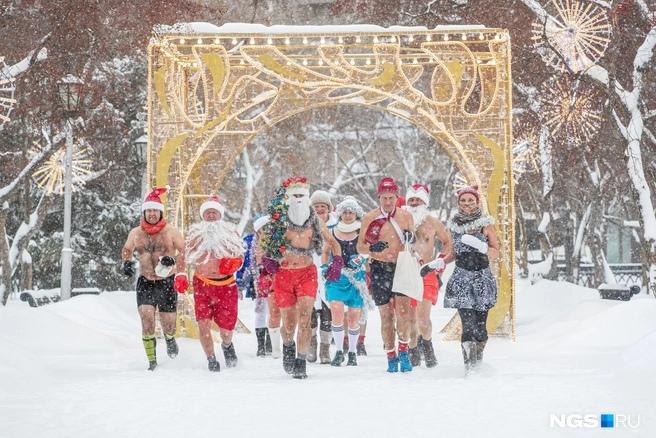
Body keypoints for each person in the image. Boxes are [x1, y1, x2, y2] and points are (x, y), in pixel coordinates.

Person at [261, 177, 342, 379]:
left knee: (305, 317)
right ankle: (288, 346)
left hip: (307, 273)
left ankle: (301, 360)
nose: (298, 200)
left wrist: (338, 262)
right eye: (295, 196)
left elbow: (333, 242)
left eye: (302, 196)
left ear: (307, 198)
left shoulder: (315, 220)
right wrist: (266, 259)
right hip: (284, 274)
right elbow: (263, 243)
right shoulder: (279, 221)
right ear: (288, 198)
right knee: (288, 324)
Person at [121, 186, 186, 371]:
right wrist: (126, 262)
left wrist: (174, 263)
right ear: (144, 212)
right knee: (147, 318)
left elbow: (184, 252)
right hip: (146, 281)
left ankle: (170, 338)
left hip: (167, 282)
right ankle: (152, 361)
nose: (151, 214)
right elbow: (126, 250)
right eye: (148, 210)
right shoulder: (136, 233)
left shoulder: (171, 232)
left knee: (168, 324)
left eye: (154, 210)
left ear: (160, 212)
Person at [357, 177, 415, 373]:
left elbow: (412, 241)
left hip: (401, 267)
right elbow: (360, 247)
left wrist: (410, 237)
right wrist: (372, 247)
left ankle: (404, 351)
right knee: (386, 316)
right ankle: (391, 355)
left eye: (391, 198)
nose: (388, 202)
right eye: (384, 198)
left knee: (404, 313)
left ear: (397, 197)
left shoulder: (406, 216)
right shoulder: (370, 218)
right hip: (380, 268)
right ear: (379, 197)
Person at [181, 195, 245, 372]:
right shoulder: (194, 234)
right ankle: (211, 359)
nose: (210, 216)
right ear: (203, 215)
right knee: (203, 324)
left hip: (227, 286)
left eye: (214, 212)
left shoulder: (230, 233)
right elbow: (182, 255)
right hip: (203, 284)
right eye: (207, 212)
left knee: (226, 330)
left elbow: (241, 256)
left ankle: (227, 344)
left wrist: (235, 263)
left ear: (220, 215)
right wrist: (180, 275)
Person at [443, 186, 498, 374]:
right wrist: (438, 263)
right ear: (458, 203)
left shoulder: (485, 224)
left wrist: (482, 248)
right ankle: (469, 367)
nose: (467, 204)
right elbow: (452, 253)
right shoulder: (454, 227)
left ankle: (478, 361)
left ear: (477, 202)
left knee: (481, 328)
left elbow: (496, 251)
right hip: (461, 279)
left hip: (482, 278)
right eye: (463, 201)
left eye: (471, 200)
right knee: (467, 324)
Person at [402, 183, 453, 368]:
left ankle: (428, 344)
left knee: (423, 318)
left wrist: (439, 262)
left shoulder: (433, 223)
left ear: (425, 202)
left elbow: (448, 243)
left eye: (418, 200)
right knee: (409, 318)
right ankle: (413, 350)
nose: (414, 203)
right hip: (405, 273)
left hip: (426, 273)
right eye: (411, 200)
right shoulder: (400, 221)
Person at [322, 196, 369, 367]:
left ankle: (353, 352)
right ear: (340, 214)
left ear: (356, 214)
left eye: (351, 212)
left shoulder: (362, 231)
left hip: (356, 278)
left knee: (354, 316)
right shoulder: (333, 231)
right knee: (336, 310)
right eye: (345, 212)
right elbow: (326, 251)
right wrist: (324, 267)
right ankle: (339, 351)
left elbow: (368, 250)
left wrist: (361, 259)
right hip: (337, 276)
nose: (348, 215)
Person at [308, 190, 336, 364]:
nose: (319, 209)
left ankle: (325, 348)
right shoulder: (306, 226)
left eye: (322, 206)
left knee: (328, 312)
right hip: (309, 272)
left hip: (328, 273)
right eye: (316, 206)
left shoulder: (335, 226)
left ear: (328, 209)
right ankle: (311, 345)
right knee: (309, 311)